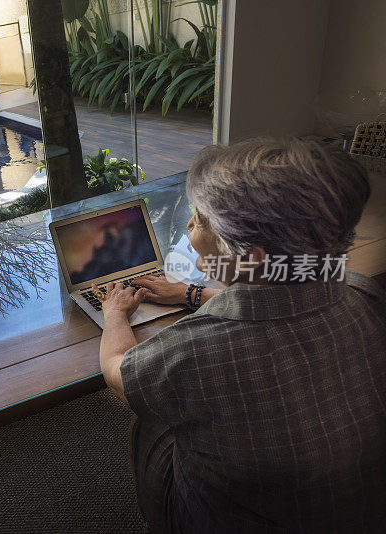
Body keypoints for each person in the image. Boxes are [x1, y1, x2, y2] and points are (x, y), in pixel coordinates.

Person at [95, 139, 386, 533]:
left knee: (151, 424)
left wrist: (114, 314)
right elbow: (285, 291)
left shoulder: (195, 351)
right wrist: (189, 293)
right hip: (358, 510)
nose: (189, 226)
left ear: (250, 255)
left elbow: (117, 372)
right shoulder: (361, 291)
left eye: (199, 218)